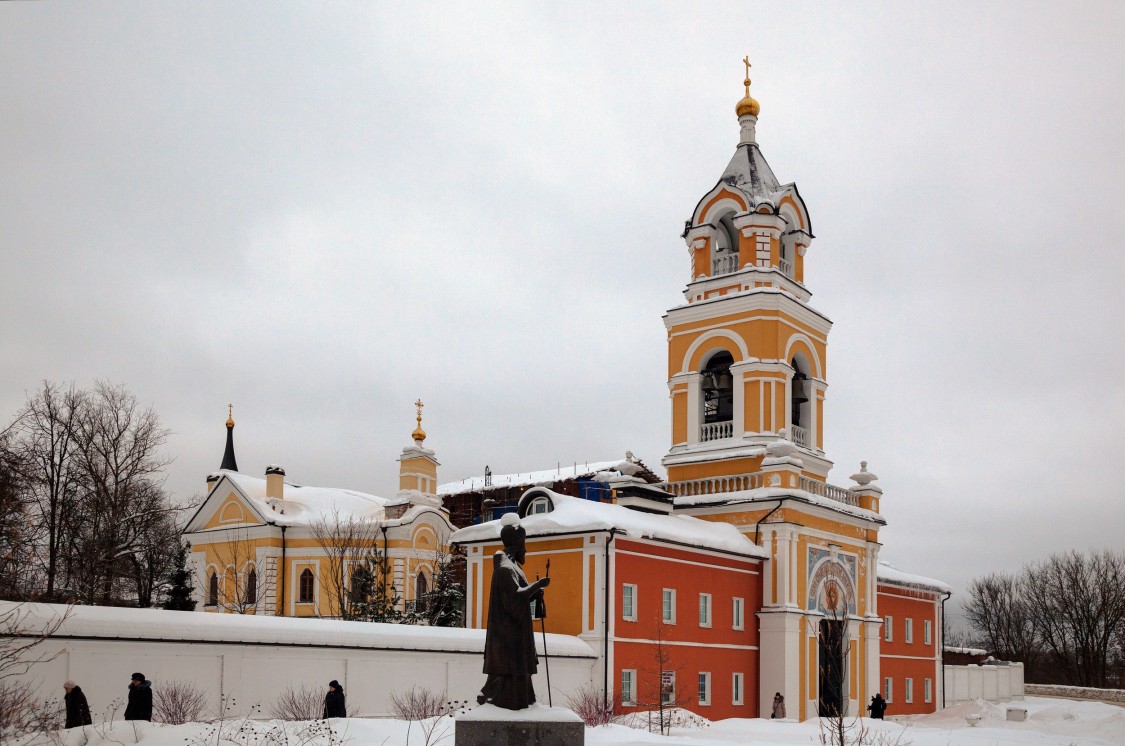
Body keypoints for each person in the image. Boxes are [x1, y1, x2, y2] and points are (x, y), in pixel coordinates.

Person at [476, 513, 550, 710]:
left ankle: (523, 702)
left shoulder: (514, 568)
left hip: (516, 637)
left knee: (519, 673)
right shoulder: (504, 570)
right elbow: (514, 599)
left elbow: (523, 595)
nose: (525, 550)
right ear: (516, 544)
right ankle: (496, 699)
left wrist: (537, 592)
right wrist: (537, 586)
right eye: (523, 544)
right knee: (510, 672)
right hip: (508, 639)